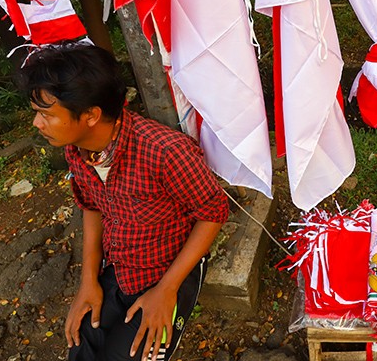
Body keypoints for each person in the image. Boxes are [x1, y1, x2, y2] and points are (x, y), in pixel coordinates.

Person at [17, 42, 229, 360]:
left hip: (170, 270)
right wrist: (88, 282)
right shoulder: (76, 149)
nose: (37, 124)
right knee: (80, 349)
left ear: (91, 115)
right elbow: (90, 206)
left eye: (46, 115)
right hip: (118, 269)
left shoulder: (165, 151)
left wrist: (167, 289)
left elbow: (213, 212)